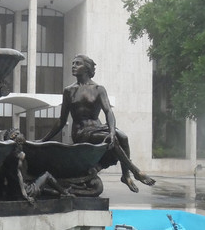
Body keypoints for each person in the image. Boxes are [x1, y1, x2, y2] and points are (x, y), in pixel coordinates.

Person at [40, 54, 156, 193]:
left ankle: (126, 175)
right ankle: (135, 171)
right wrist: (43, 140)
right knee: (109, 140)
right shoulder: (69, 91)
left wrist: (112, 131)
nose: (73, 66)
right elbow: (62, 120)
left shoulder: (98, 89)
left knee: (122, 137)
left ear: (87, 68)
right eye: (73, 63)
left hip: (99, 128)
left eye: (78, 63)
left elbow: (108, 112)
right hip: (81, 132)